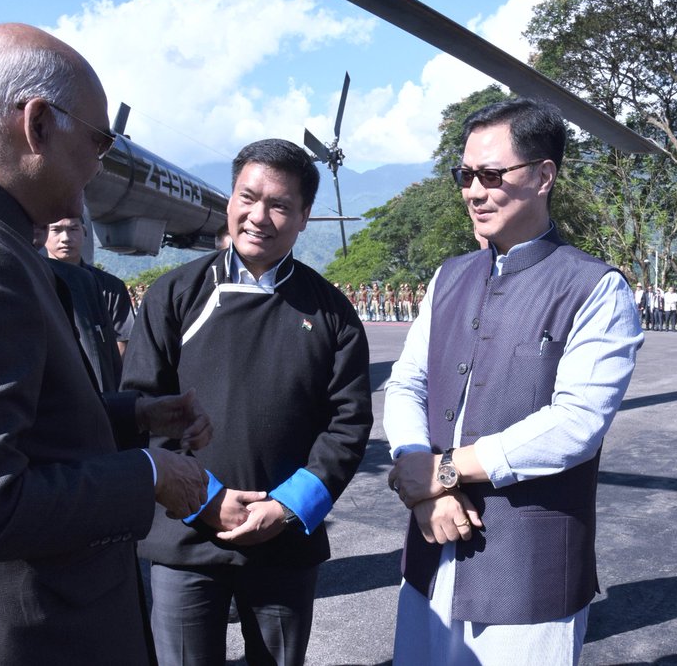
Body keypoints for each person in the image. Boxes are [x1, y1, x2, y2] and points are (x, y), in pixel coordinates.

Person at [0, 24, 212, 664]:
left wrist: (135, 416)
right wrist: (151, 473)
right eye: (99, 141)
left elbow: (16, 425)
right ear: (39, 125)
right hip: (19, 635)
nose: (99, 164)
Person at [385, 98, 642, 664]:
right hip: (428, 552)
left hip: (527, 572)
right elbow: (407, 383)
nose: (474, 192)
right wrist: (416, 466)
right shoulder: (448, 277)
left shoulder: (595, 287)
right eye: (465, 176)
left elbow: (576, 425)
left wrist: (442, 471)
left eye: (491, 175)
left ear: (544, 176)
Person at [121, 138, 372, 666]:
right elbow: (141, 407)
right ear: (230, 199)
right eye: (248, 197)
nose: (259, 217)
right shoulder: (174, 294)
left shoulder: (332, 313)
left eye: (279, 205)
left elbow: (348, 423)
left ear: (304, 216)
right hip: (184, 534)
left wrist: (287, 506)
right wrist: (205, 498)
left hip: (283, 539)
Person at [43, 215, 136, 356]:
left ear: (85, 232)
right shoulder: (34, 282)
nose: (65, 238)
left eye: (73, 229)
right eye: (56, 230)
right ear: (44, 232)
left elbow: (122, 340)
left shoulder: (110, 287)